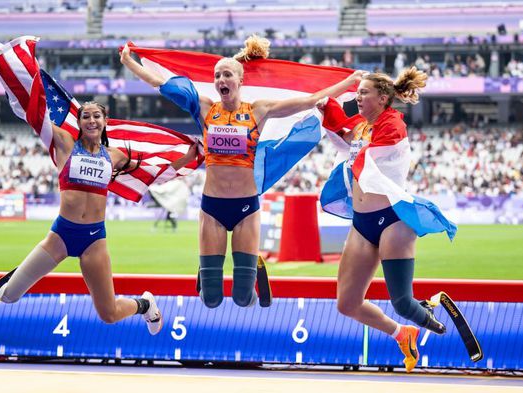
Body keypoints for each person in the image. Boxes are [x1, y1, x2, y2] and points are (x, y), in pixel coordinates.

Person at [120, 36, 354, 309]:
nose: (221, 79)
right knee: (210, 299)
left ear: (240, 81)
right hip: (212, 209)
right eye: (217, 75)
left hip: (246, 208)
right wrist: (129, 62)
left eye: (227, 74)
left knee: (243, 298)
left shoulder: (259, 110)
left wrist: (350, 82)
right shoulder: (205, 107)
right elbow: (160, 83)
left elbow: (312, 99)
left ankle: (255, 265)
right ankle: (208, 271)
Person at [0, 100, 199, 336]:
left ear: (105, 121)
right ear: (79, 122)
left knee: (109, 314)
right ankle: (17, 277)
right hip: (61, 235)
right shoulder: (64, 143)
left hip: (93, 239)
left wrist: (188, 158)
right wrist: (9, 69)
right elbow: (34, 115)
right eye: (86, 117)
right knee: (9, 296)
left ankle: (145, 305)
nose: (92, 121)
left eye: (96, 116)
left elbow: (150, 175)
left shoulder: (115, 156)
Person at [318, 68, 457, 372]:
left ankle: (435, 321)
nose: (358, 96)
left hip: (393, 218)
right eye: (358, 92)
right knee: (347, 304)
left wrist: (341, 129)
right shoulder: (362, 128)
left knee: (402, 303)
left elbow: (363, 157)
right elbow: (340, 129)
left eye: (364, 92)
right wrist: (328, 100)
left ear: (383, 98)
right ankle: (402, 333)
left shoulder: (392, 123)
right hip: (362, 223)